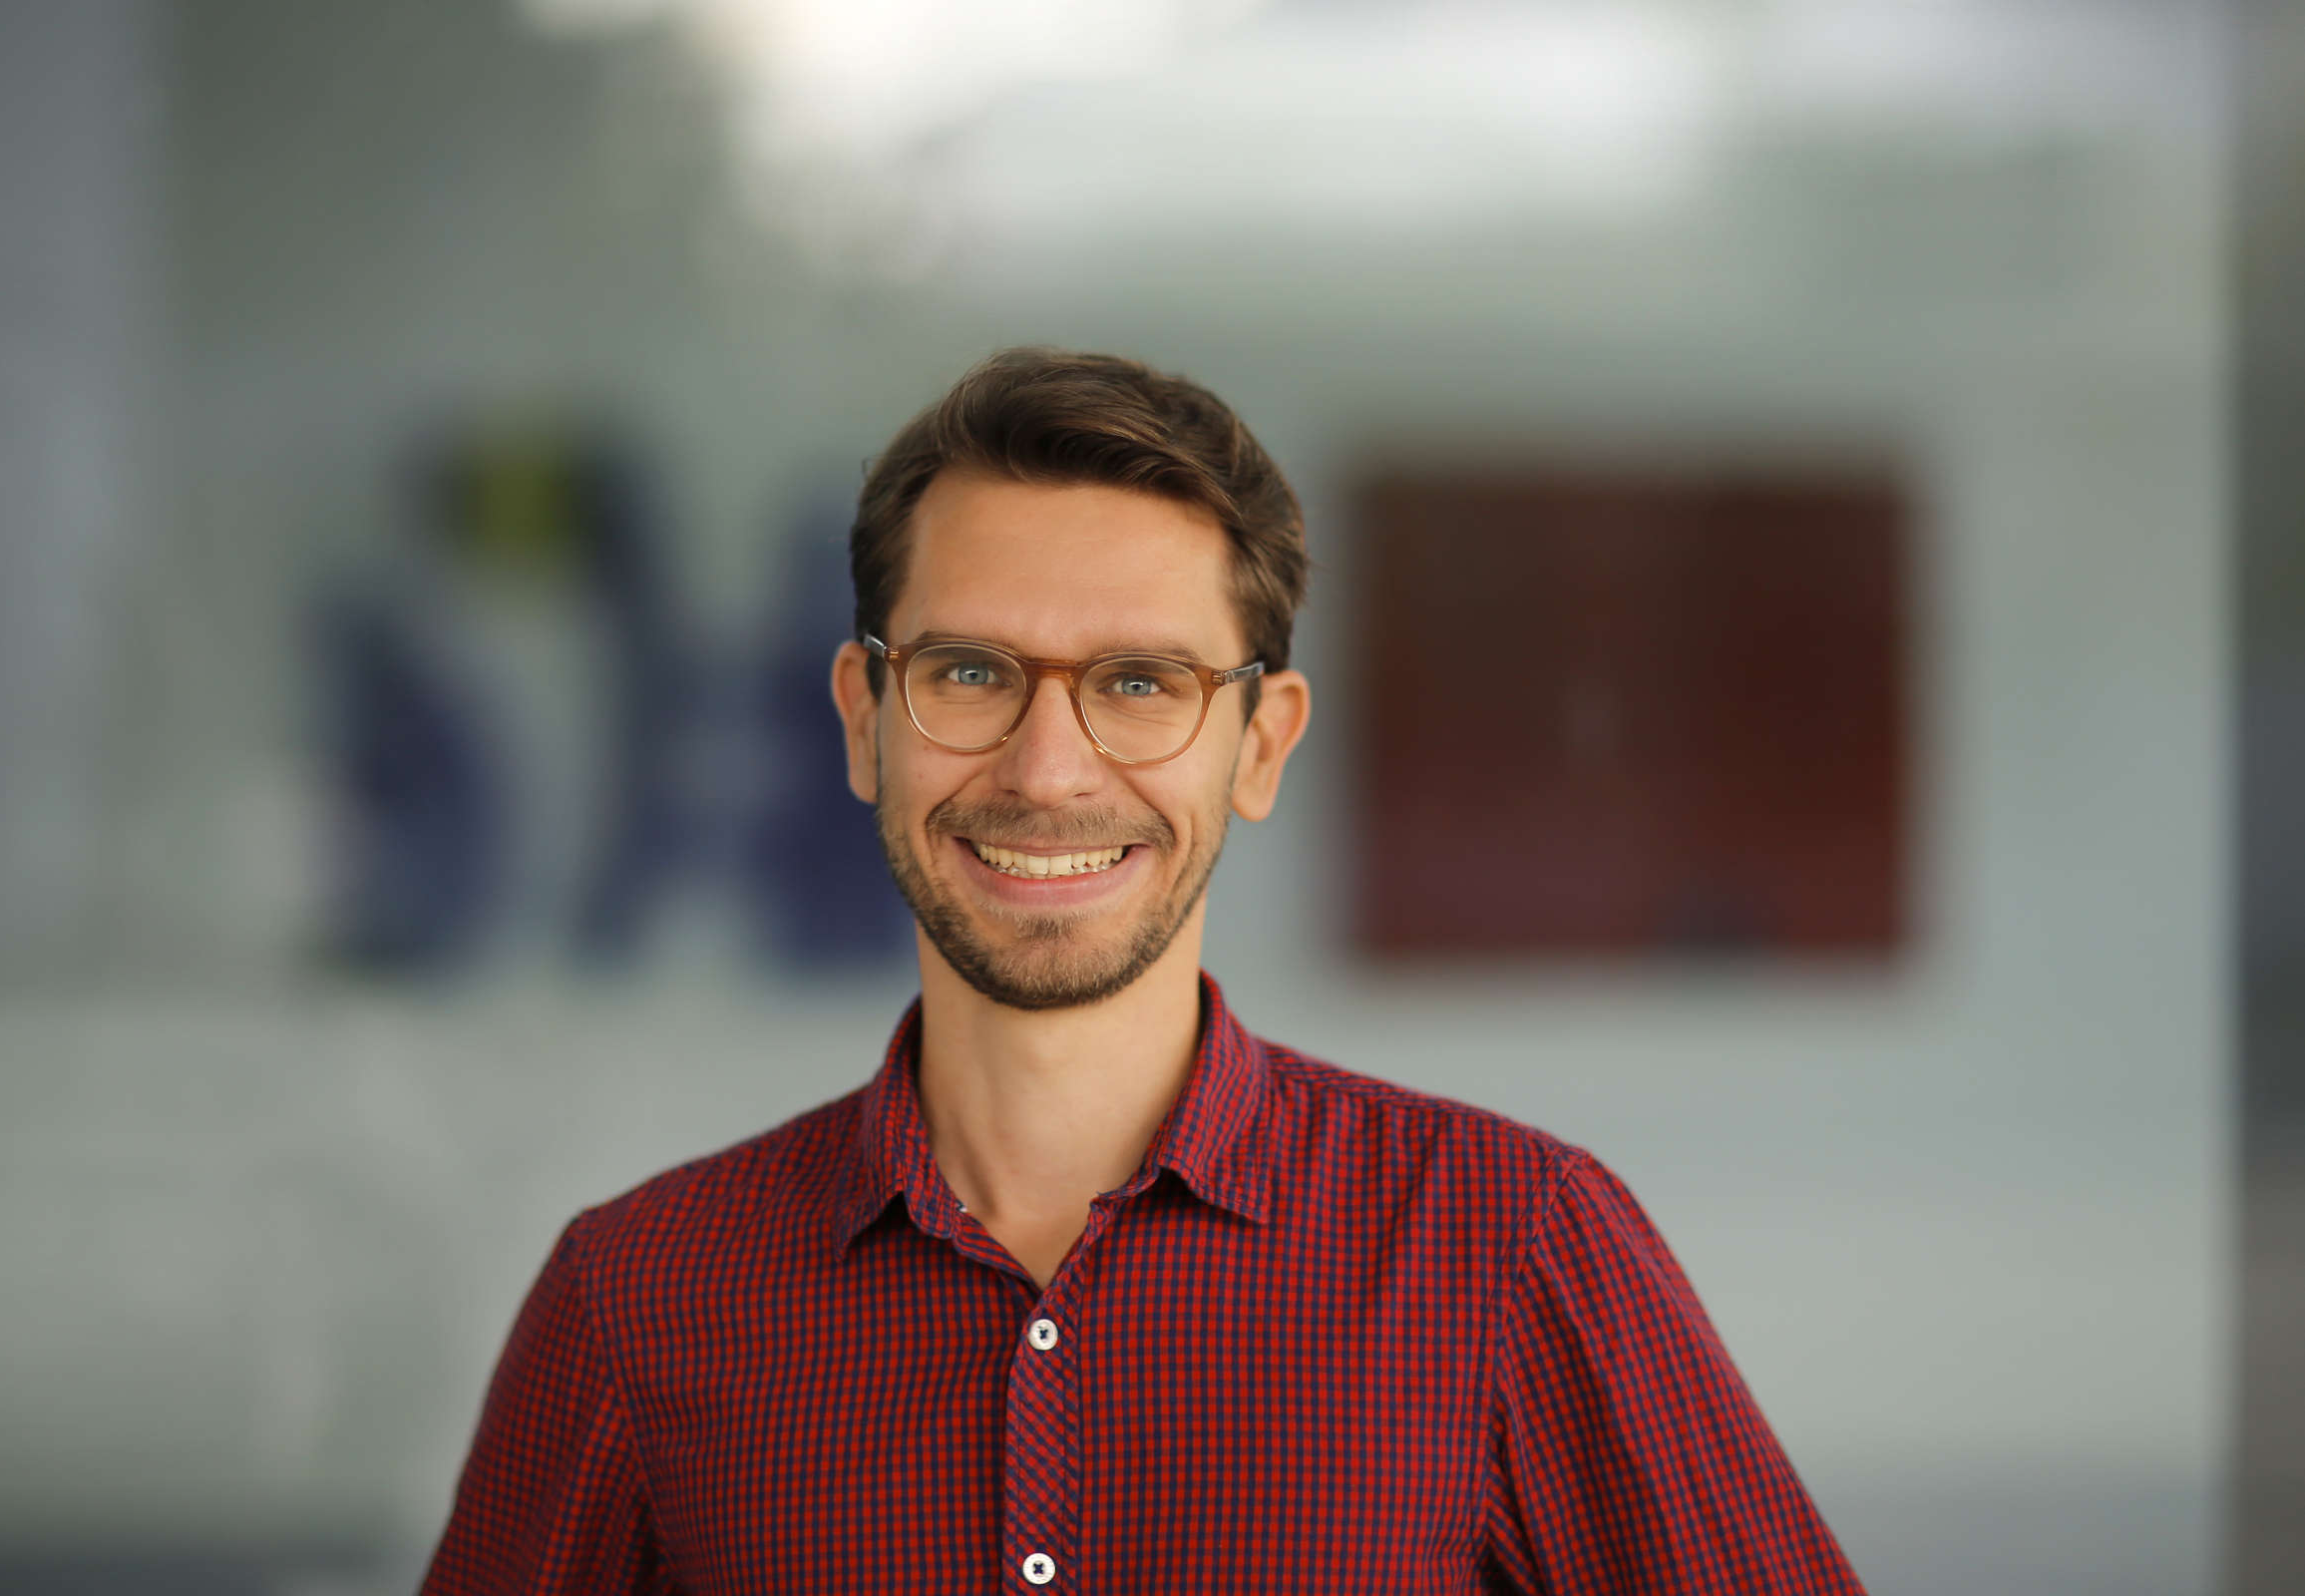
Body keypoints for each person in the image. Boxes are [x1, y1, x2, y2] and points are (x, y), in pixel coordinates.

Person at [421, 348, 1867, 1594]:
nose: (1050, 773)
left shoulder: (1509, 1248)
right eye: (972, 674)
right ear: (865, 717)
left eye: (1138, 684)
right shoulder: (638, 1301)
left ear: (1261, 744)